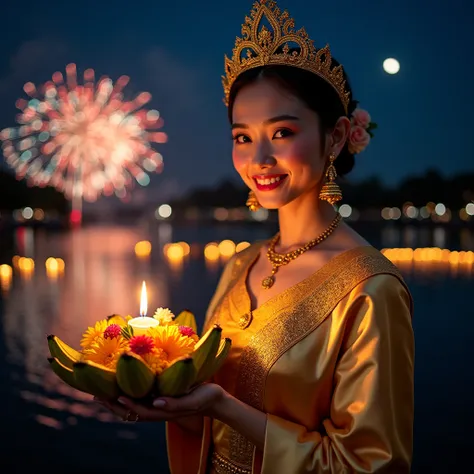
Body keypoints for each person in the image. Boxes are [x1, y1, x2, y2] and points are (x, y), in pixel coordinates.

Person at [99, 1, 415, 472]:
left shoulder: (371, 290)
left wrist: (220, 406)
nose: (259, 158)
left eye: (282, 132)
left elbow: (368, 464)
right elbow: (213, 427)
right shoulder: (241, 263)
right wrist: (168, 403)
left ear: (336, 136)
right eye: (242, 137)